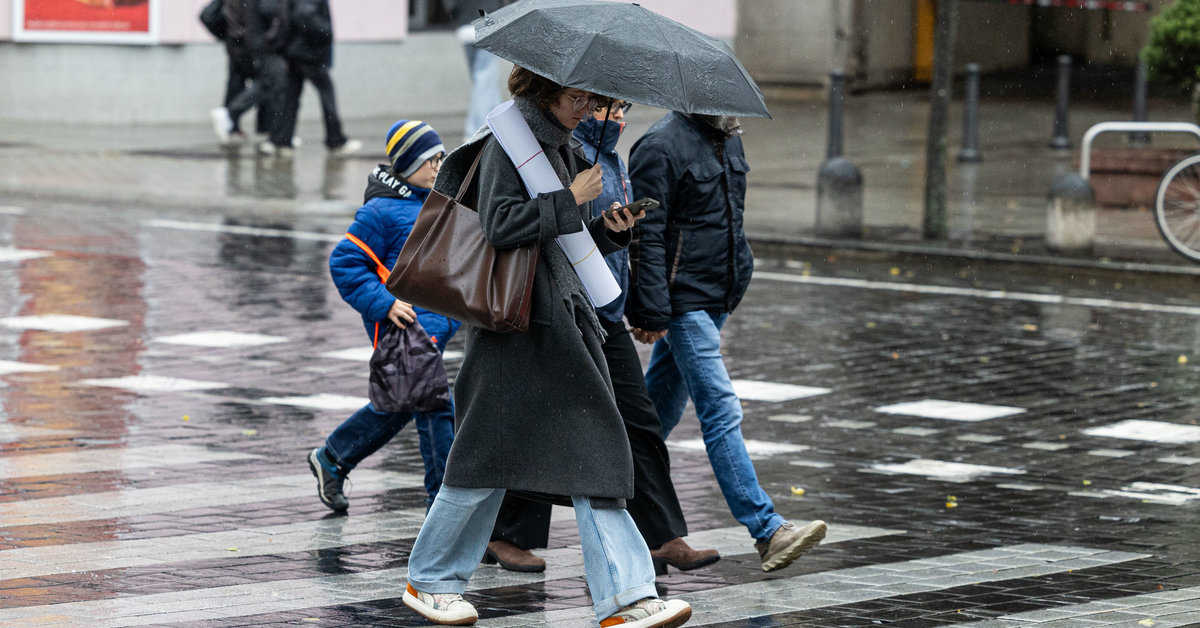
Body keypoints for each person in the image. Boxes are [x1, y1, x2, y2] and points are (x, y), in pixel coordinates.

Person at [401, 67, 692, 628]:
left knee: (596, 456)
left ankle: (628, 597)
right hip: (514, 330)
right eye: (576, 98)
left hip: (561, 326)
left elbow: (558, 242)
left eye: (591, 99)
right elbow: (500, 226)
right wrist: (571, 197)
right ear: (543, 91)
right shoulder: (506, 146)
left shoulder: (562, 149)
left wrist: (608, 229)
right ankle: (431, 579)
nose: (586, 109)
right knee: (482, 463)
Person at [485, 98, 721, 577]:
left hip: (604, 309)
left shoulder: (609, 159)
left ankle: (661, 535)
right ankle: (505, 533)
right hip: (559, 309)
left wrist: (614, 231)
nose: (618, 119)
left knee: (639, 421)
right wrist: (571, 197)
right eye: (605, 109)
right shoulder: (539, 151)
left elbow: (581, 239)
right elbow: (513, 229)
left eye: (621, 110)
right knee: (543, 421)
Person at [626, 111, 828, 573]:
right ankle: (767, 529)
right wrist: (653, 308)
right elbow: (647, 235)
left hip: (719, 292)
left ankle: (625, 514)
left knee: (651, 418)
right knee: (720, 407)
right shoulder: (659, 146)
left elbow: (731, 218)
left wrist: (740, 272)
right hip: (684, 300)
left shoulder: (729, 137)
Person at [308, 120, 458, 512]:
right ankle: (441, 503)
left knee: (406, 402)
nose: (437, 166)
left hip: (432, 326)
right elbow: (345, 263)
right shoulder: (380, 211)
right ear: (407, 163)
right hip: (403, 327)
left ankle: (333, 458)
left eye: (441, 158)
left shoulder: (434, 201)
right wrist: (385, 304)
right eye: (429, 159)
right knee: (435, 407)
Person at [274, 0, 362, 157]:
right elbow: (304, 15)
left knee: (291, 98)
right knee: (326, 94)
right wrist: (325, 31)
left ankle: (282, 141)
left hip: (297, 52)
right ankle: (335, 140)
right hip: (308, 54)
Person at [210, 0, 291, 153]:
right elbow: (265, 12)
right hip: (253, 42)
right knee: (269, 83)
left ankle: (264, 129)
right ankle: (232, 115)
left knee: (246, 82)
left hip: (243, 40)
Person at [440, 0, 508, 138]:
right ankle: (477, 130)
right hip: (488, 21)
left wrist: (456, 14)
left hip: (466, 24)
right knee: (484, 81)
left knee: (482, 81)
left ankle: (499, 124)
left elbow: (451, 4)